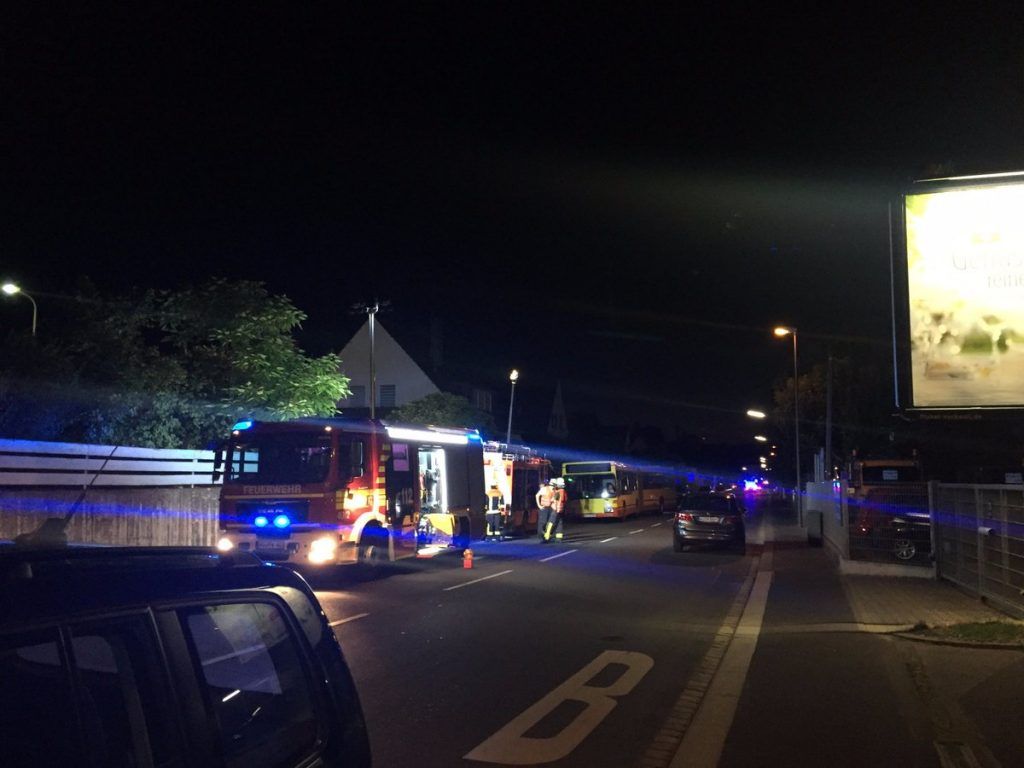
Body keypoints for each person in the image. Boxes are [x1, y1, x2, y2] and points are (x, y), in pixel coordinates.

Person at [550, 477, 567, 542]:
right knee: (559, 523)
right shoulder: (563, 491)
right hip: (560, 509)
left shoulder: (558, 492)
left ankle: (546, 537)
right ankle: (559, 538)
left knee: (551, 523)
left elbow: (554, 500)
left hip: (556, 509)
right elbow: (565, 500)